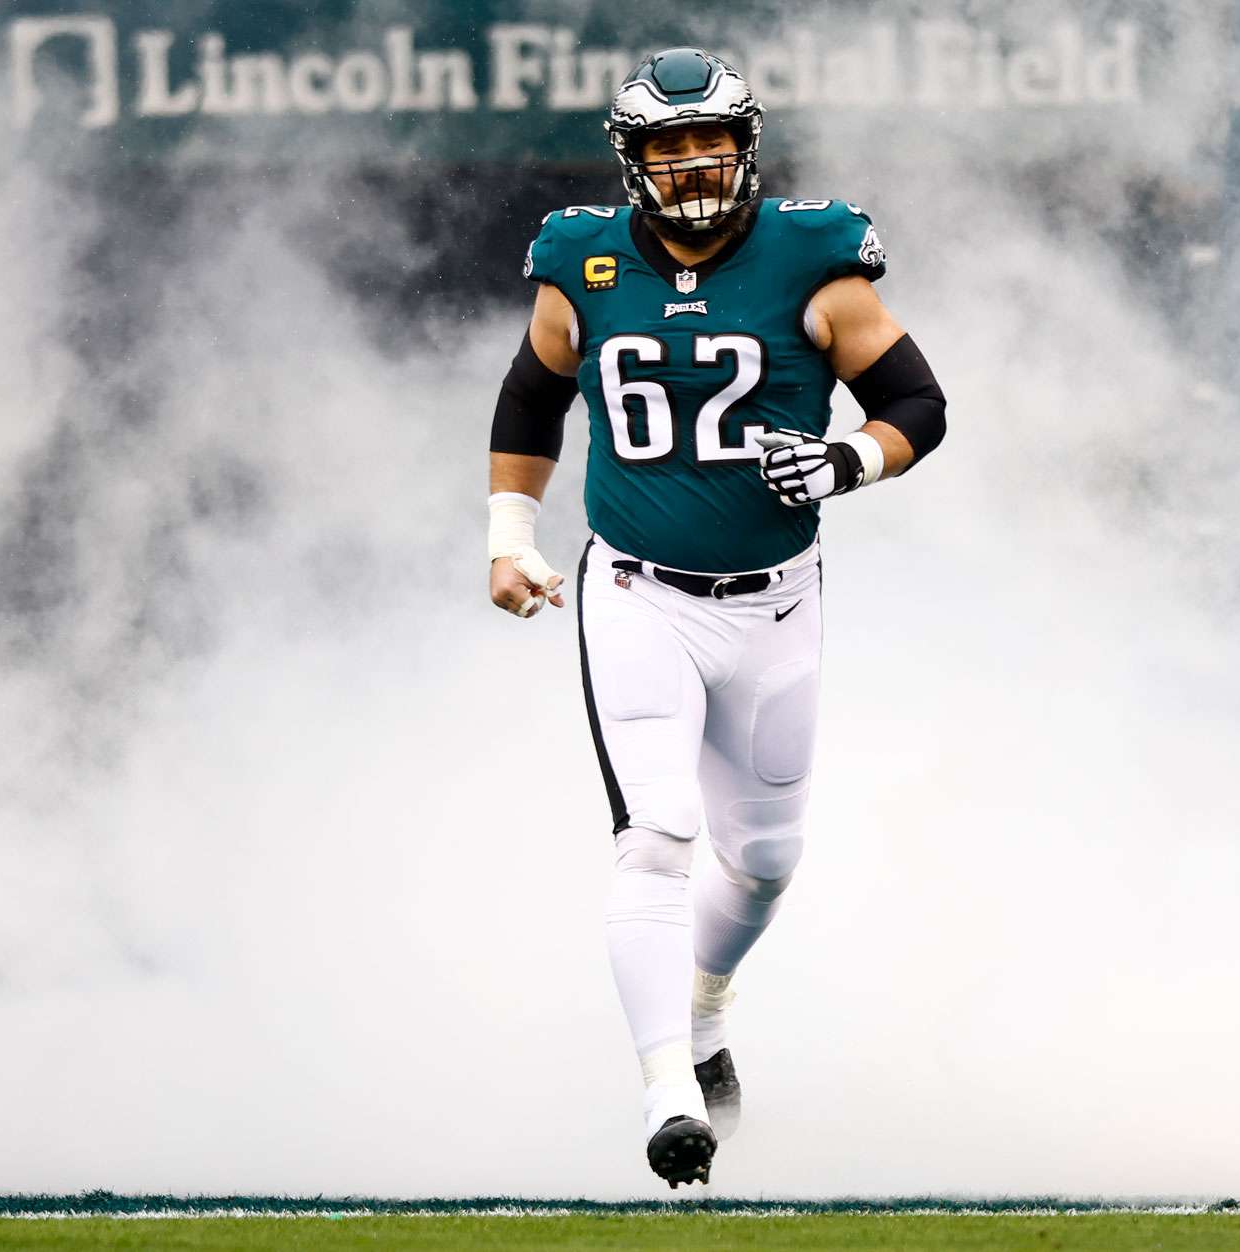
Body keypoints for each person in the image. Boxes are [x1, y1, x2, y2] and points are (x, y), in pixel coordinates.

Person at [484, 47, 948, 1187]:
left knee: (765, 861)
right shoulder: (581, 262)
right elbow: (533, 393)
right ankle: (666, 1094)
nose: (692, 164)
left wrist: (849, 459)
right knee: (654, 834)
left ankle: (702, 1008)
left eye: (709, 141)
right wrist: (507, 534)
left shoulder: (815, 257)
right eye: (666, 146)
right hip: (637, 589)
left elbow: (915, 404)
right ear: (630, 159)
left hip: (777, 602)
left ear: (746, 144)